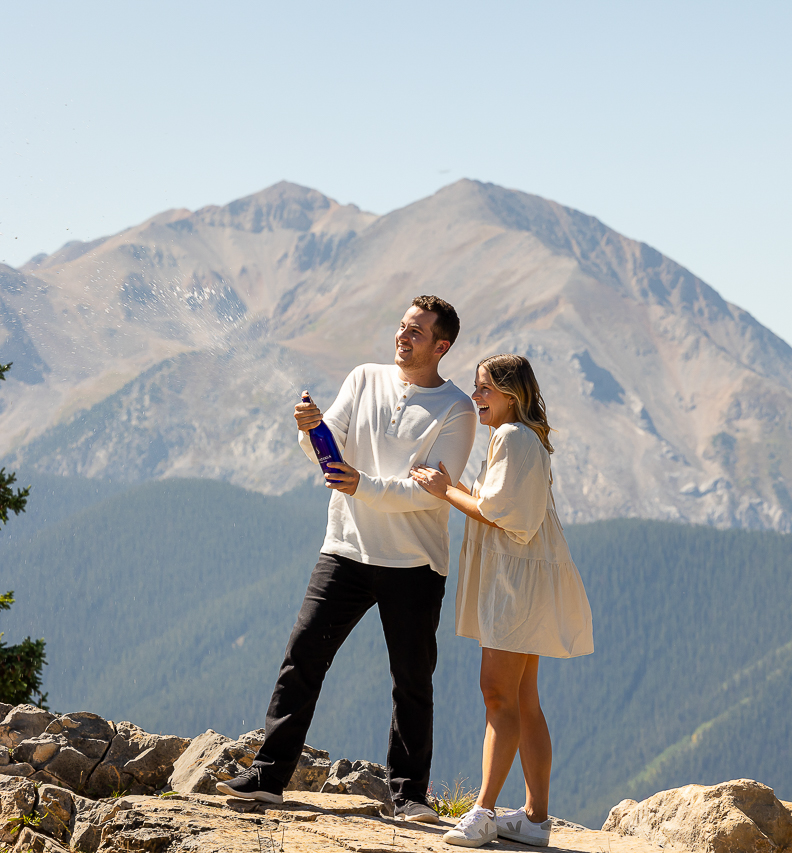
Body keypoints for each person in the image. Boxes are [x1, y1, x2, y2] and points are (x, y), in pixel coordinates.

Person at [217, 295, 478, 824]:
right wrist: (309, 427)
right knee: (303, 657)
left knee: (411, 680)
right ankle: (268, 777)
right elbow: (325, 449)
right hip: (345, 549)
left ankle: (408, 797)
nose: (403, 337)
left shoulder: (457, 409)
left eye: (417, 332)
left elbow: (433, 492)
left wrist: (364, 485)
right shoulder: (363, 378)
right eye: (402, 326)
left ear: (441, 346)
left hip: (413, 562)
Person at [412, 354, 593, 848]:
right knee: (523, 698)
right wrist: (461, 489)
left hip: (515, 584)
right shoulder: (525, 438)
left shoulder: (512, 438)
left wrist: (446, 490)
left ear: (511, 394)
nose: (476, 397)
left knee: (496, 692)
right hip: (527, 579)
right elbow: (502, 504)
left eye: (484, 389)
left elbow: (499, 515)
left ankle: (483, 812)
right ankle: (534, 819)